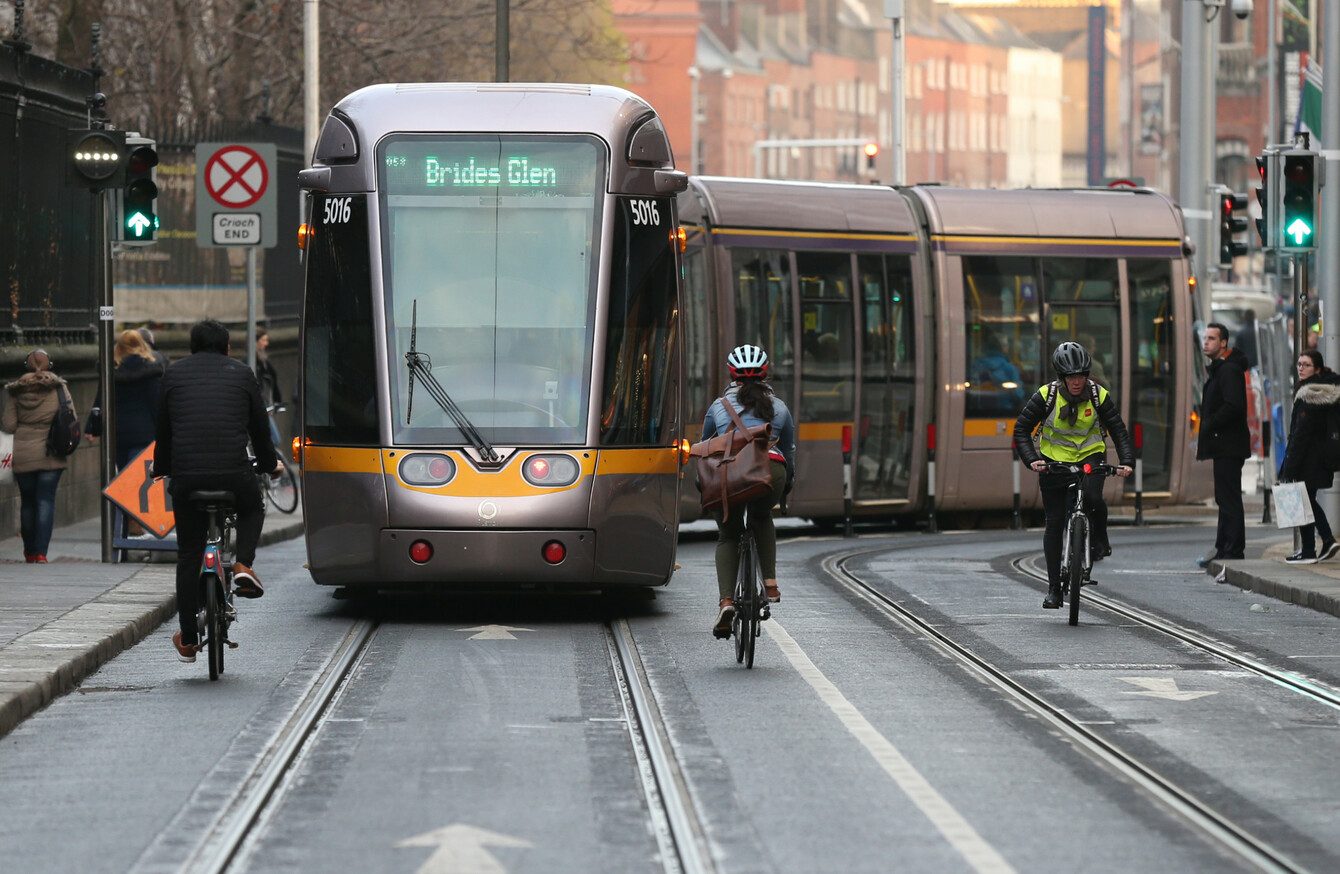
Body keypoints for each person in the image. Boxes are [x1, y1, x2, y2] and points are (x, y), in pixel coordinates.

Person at [153, 319, 282, 662]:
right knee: (253, 507)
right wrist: (270, 465)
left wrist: (162, 467)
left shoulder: (173, 375)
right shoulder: (242, 374)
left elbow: (164, 431)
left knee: (188, 554)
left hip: (188, 478)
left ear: (192, 347)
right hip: (233, 474)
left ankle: (189, 636)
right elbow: (259, 430)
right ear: (227, 348)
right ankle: (243, 564)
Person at [1013, 342, 1134, 609]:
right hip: (1054, 462)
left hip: (1090, 456)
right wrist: (1033, 460)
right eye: (1071, 377)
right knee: (1055, 523)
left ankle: (1100, 540)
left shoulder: (1098, 394)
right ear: (1062, 377)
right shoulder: (1046, 395)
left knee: (1093, 497)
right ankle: (1054, 589)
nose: (1077, 381)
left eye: (1081, 375)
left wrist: (1126, 462)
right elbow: (1021, 430)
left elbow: (1118, 430)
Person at [702, 345, 796, 637]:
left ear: (731, 373)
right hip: (770, 472)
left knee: (728, 534)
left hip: (728, 475)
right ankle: (770, 583)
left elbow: (706, 446)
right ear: (765, 373)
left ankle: (727, 602)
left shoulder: (718, 406)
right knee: (761, 517)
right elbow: (789, 451)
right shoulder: (779, 407)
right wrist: (786, 484)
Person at [2, 350, 77, 563]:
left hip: (24, 454)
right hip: (51, 452)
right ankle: (41, 553)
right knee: (45, 501)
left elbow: (9, 425)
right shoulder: (59, 388)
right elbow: (70, 416)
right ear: (49, 365)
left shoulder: (16, 391)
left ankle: (29, 551)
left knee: (28, 502)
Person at [1278, 350, 1340, 563]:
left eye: (1306, 365)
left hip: (1307, 460)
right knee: (1306, 501)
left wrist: (1289, 466)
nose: (1301, 368)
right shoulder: (1320, 393)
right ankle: (1312, 547)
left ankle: (1320, 543)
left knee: (1304, 502)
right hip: (1316, 459)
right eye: (1299, 364)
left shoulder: (1310, 396)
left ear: (1318, 369)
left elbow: (1300, 436)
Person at [1197, 323, 1251, 566]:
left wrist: (1209, 423)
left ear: (1223, 343)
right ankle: (1224, 546)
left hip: (1228, 445)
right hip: (1225, 445)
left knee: (1228, 497)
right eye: (1205, 338)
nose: (1205, 342)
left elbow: (1234, 405)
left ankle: (1233, 547)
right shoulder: (1222, 369)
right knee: (1224, 497)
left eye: (1211, 339)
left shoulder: (1228, 370)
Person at [89, 329, 165, 472]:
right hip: (144, 432)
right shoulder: (151, 370)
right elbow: (155, 403)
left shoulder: (110, 371)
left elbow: (101, 399)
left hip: (117, 432)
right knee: (137, 475)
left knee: (124, 473)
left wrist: (91, 426)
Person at [254, 326, 284, 450]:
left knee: (274, 440)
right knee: (274, 439)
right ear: (256, 342)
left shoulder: (263, 361)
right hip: (260, 406)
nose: (267, 343)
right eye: (264, 340)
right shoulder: (253, 361)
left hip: (265, 404)